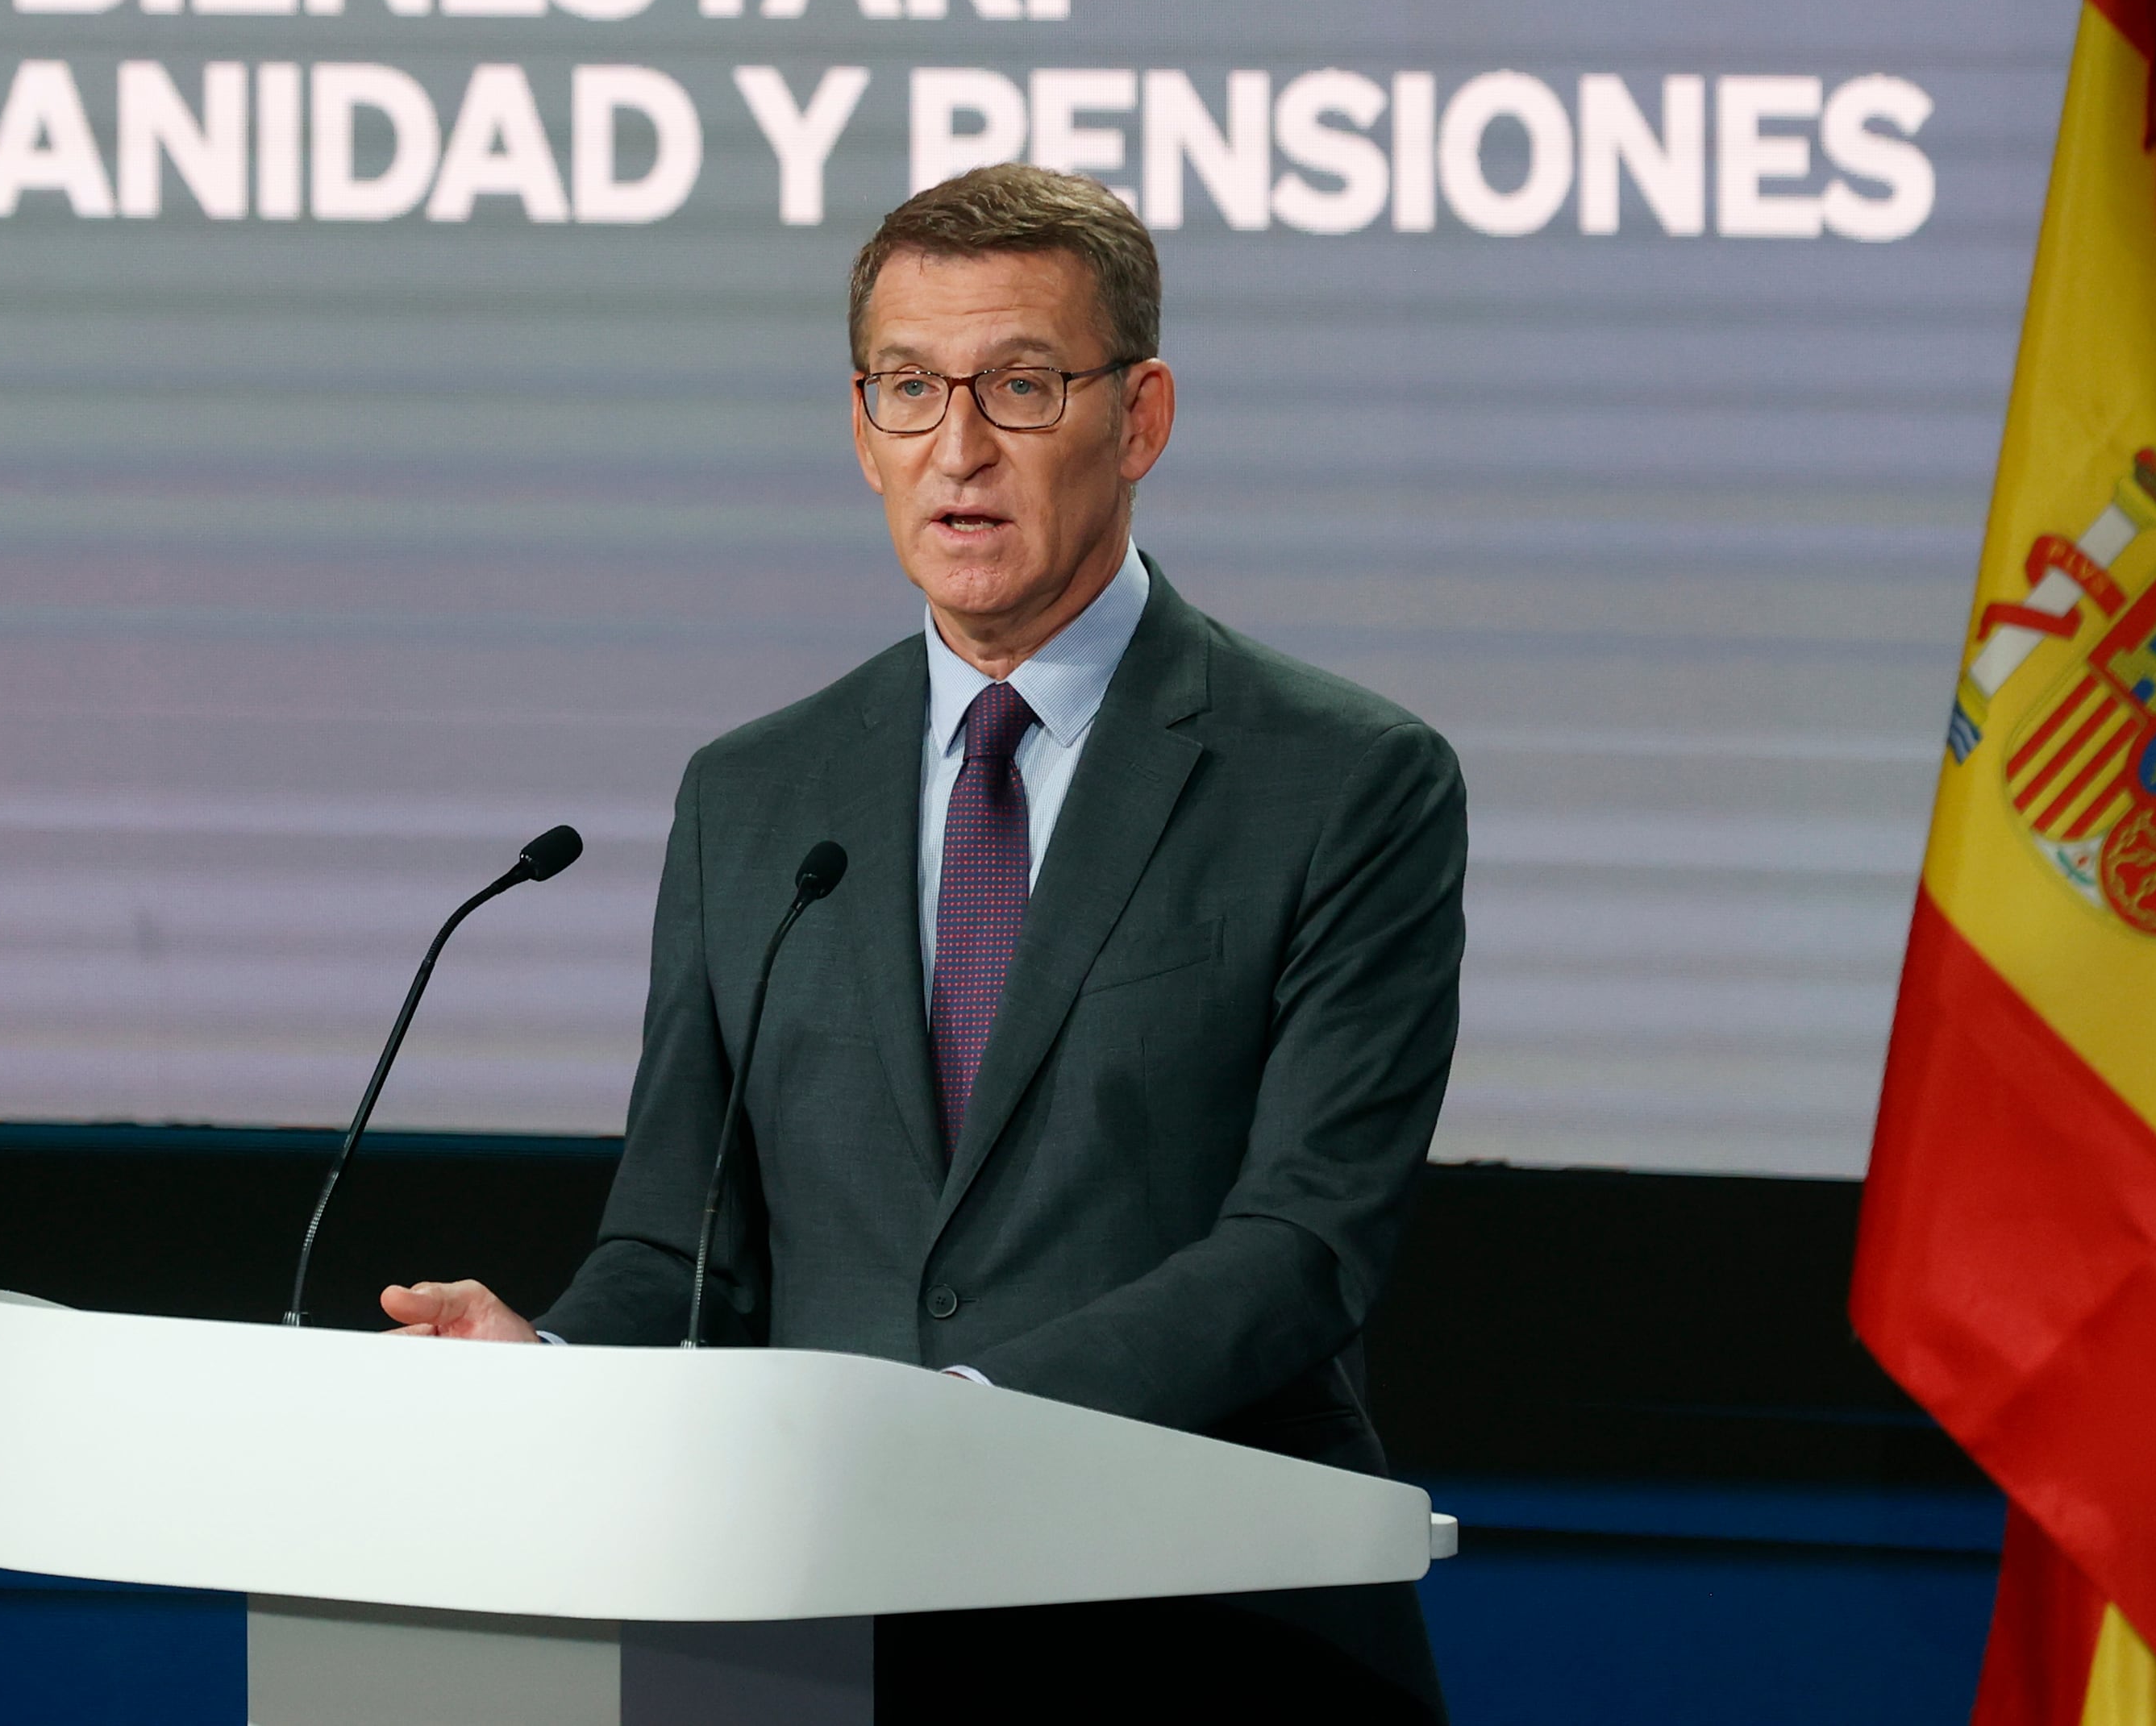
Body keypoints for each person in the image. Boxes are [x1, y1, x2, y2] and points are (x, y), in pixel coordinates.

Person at [383, 162, 1468, 1722]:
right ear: (860, 429)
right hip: (813, 1631)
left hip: (1206, 1629)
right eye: (909, 387)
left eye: (1021, 385)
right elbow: (682, 1248)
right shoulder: (754, 794)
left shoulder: (1343, 779)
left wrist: (957, 1426)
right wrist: (551, 1359)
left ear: (1141, 418)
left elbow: (1303, 1248)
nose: (958, 446)